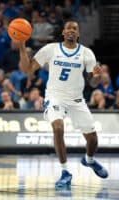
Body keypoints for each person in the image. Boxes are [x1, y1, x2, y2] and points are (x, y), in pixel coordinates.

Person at [19, 20, 108, 188]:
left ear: (79, 34)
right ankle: (65, 171)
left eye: (75, 28)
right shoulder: (50, 49)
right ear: (63, 32)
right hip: (55, 97)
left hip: (76, 99)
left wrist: (96, 77)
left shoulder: (86, 53)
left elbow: (92, 83)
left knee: (93, 140)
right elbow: (28, 69)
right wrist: (22, 45)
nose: (72, 31)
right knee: (58, 127)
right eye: (69, 28)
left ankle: (89, 160)